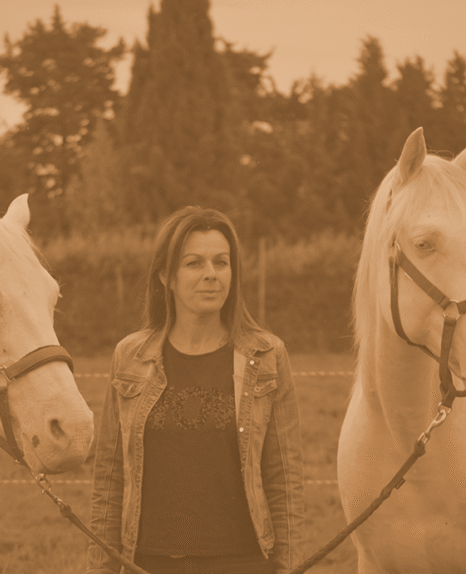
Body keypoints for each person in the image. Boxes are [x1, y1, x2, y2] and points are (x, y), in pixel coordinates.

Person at [86, 207, 305, 574]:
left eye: (221, 262)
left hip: (245, 563)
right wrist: (101, 568)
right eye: (194, 263)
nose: (211, 274)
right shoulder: (130, 357)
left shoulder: (267, 356)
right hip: (149, 563)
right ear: (166, 276)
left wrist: (290, 567)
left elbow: (285, 479)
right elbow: (109, 479)